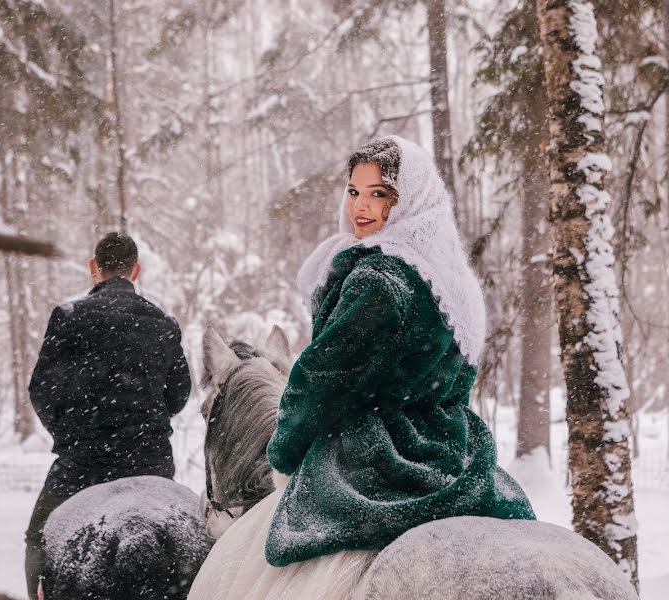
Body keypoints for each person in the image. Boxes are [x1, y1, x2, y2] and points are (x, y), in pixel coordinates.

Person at [189, 136, 534, 600]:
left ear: (407, 199)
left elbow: (319, 379)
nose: (361, 207)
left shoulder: (379, 279)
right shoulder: (449, 278)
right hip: (454, 450)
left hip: (375, 456)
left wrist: (285, 453)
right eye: (354, 192)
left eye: (380, 194)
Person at [25, 231, 192, 600]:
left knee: (37, 537)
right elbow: (179, 394)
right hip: (150, 462)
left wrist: (72, 434)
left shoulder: (69, 317)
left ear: (93, 268)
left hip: (83, 464)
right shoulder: (163, 323)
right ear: (136, 271)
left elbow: (41, 390)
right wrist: (143, 420)